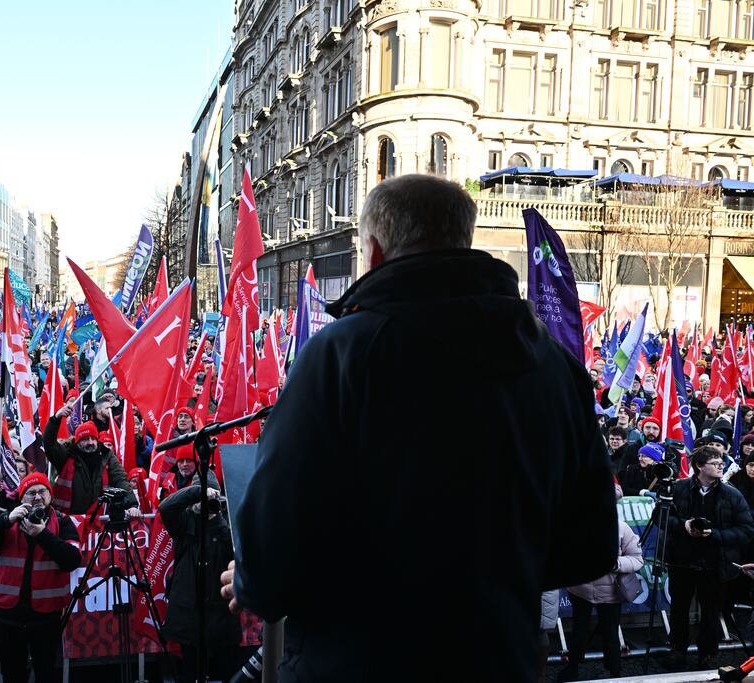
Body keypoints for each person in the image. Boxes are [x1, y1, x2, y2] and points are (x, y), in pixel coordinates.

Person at [221, 174, 618, 681]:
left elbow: (275, 542)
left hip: (359, 663)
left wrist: (252, 582)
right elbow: (591, 544)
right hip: (498, 659)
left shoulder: (341, 355)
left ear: (375, 252)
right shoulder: (555, 366)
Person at [0, 472, 82, 683]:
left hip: (46, 617)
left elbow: (72, 560)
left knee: (46, 673)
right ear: (21, 498)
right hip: (7, 616)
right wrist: (5, 520)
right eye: (31, 493)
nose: (37, 497)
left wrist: (42, 535)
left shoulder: (63, 522)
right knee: (12, 674)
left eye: (42, 491)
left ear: (50, 495)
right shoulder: (9, 520)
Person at [665, 446, 754, 670]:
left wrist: (714, 534)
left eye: (721, 463)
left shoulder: (732, 494)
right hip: (682, 561)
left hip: (716, 563)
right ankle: (677, 649)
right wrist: (683, 525)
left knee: (711, 613)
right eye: (715, 463)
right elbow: (660, 517)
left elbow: (746, 530)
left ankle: (708, 655)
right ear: (699, 466)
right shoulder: (679, 488)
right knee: (678, 609)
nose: (720, 466)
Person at [159, 476, 240, 681]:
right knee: (190, 670)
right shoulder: (184, 521)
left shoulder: (226, 520)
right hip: (189, 608)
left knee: (227, 669)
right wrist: (197, 492)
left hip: (220, 609)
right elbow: (166, 507)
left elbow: (235, 550)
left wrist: (218, 516)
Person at [557, 516, 644, 681]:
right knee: (579, 630)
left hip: (610, 593)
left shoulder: (622, 528)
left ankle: (615, 672)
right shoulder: (574, 526)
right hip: (580, 589)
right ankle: (573, 666)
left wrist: (614, 564)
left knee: (610, 633)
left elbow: (637, 559)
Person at [43, 406, 131, 514]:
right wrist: (56, 419)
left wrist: (131, 505)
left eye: (93, 439)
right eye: (85, 439)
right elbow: (49, 443)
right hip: (69, 520)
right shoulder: (67, 456)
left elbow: (120, 479)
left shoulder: (107, 456)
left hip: (99, 520)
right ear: (77, 442)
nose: (90, 443)